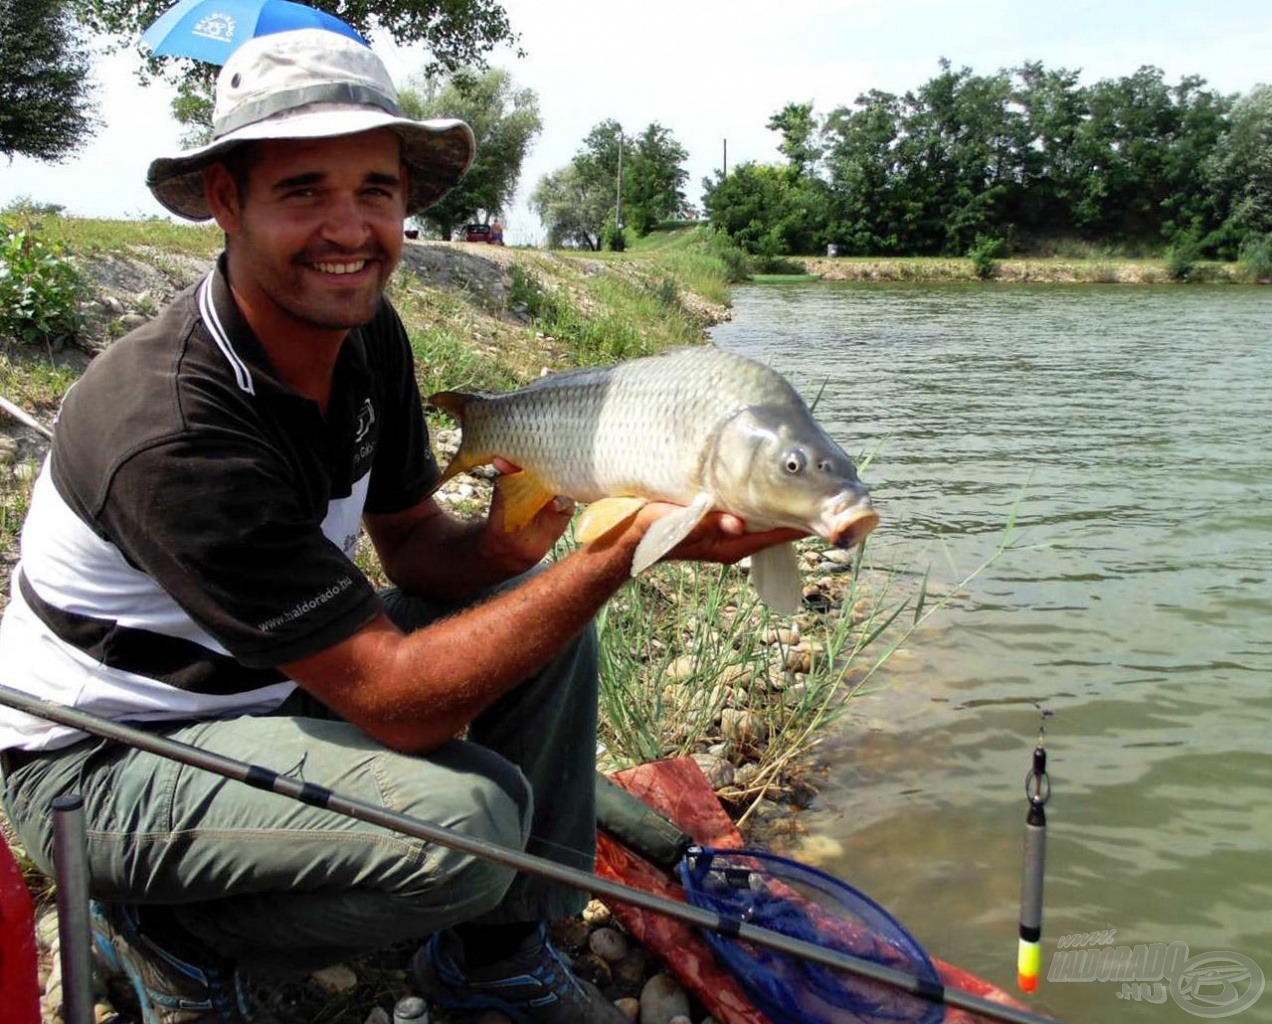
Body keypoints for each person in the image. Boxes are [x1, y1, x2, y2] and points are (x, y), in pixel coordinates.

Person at [0, 28, 800, 1024]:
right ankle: (167, 932)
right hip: (107, 759)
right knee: (467, 823)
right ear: (225, 201)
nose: (351, 229)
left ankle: (497, 958)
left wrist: (527, 535)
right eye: (303, 190)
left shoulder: (362, 328)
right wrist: (622, 550)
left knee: (530, 609)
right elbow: (396, 700)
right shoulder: (169, 426)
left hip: (272, 679)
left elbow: (418, 545)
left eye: (375, 190)